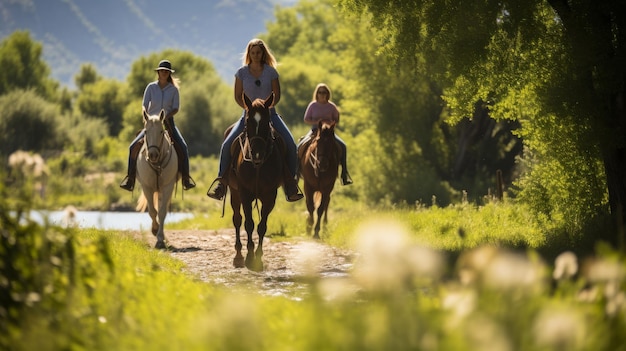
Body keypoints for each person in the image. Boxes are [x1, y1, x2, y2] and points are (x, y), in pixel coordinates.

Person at [206, 38, 303, 202]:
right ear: (249, 54)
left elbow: (276, 95)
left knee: (290, 143)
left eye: (258, 52)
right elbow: (237, 96)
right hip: (248, 116)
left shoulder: (271, 72)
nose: (256, 55)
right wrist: (248, 109)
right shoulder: (241, 73)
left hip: (270, 114)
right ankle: (221, 184)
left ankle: (291, 184)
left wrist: (265, 107)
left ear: (263, 53)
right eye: (253, 52)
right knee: (227, 144)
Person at [120, 59, 196, 191]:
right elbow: (144, 104)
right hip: (151, 123)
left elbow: (176, 108)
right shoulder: (150, 87)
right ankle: (130, 179)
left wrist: (166, 116)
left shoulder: (173, 90)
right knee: (132, 147)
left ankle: (186, 178)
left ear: (169, 73)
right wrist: (145, 115)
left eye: (166, 71)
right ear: (158, 72)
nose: (164, 73)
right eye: (162, 71)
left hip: (168, 122)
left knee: (183, 147)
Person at [298, 83, 353, 185]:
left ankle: (344, 174)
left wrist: (329, 123)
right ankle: (296, 173)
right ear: (317, 94)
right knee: (300, 146)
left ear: (327, 94)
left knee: (343, 146)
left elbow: (336, 120)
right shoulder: (312, 105)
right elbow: (306, 119)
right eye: (320, 92)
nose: (322, 94)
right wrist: (317, 122)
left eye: (324, 92)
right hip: (314, 131)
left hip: (328, 133)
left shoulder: (332, 106)